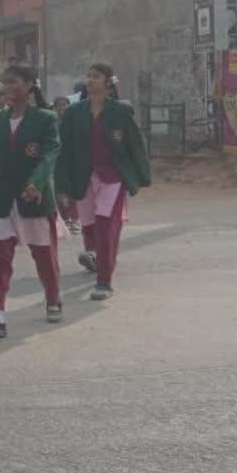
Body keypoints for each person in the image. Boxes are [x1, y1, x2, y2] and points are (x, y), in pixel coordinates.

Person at [0, 64, 64, 337]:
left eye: (14, 82)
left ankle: (52, 298)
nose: (8, 88)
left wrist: (36, 184)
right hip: (2, 200)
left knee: (43, 254)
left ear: (29, 85)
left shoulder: (45, 118)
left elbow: (50, 154)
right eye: (5, 83)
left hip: (34, 198)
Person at [56, 63, 151, 301]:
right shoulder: (74, 113)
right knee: (89, 226)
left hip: (113, 178)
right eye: (87, 76)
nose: (89, 80)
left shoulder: (120, 111)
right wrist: (62, 186)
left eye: (95, 76)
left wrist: (140, 175)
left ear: (107, 82)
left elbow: (135, 144)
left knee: (105, 225)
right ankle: (97, 258)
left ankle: (104, 281)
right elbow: (65, 151)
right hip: (83, 178)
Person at [52, 96, 82, 235]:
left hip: (72, 161)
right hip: (57, 162)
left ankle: (75, 219)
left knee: (72, 191)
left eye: (64, 105)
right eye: (58, 105)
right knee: (59, 191)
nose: (61, 108)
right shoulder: (52, 122)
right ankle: (64, 220)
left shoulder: (75, 121)